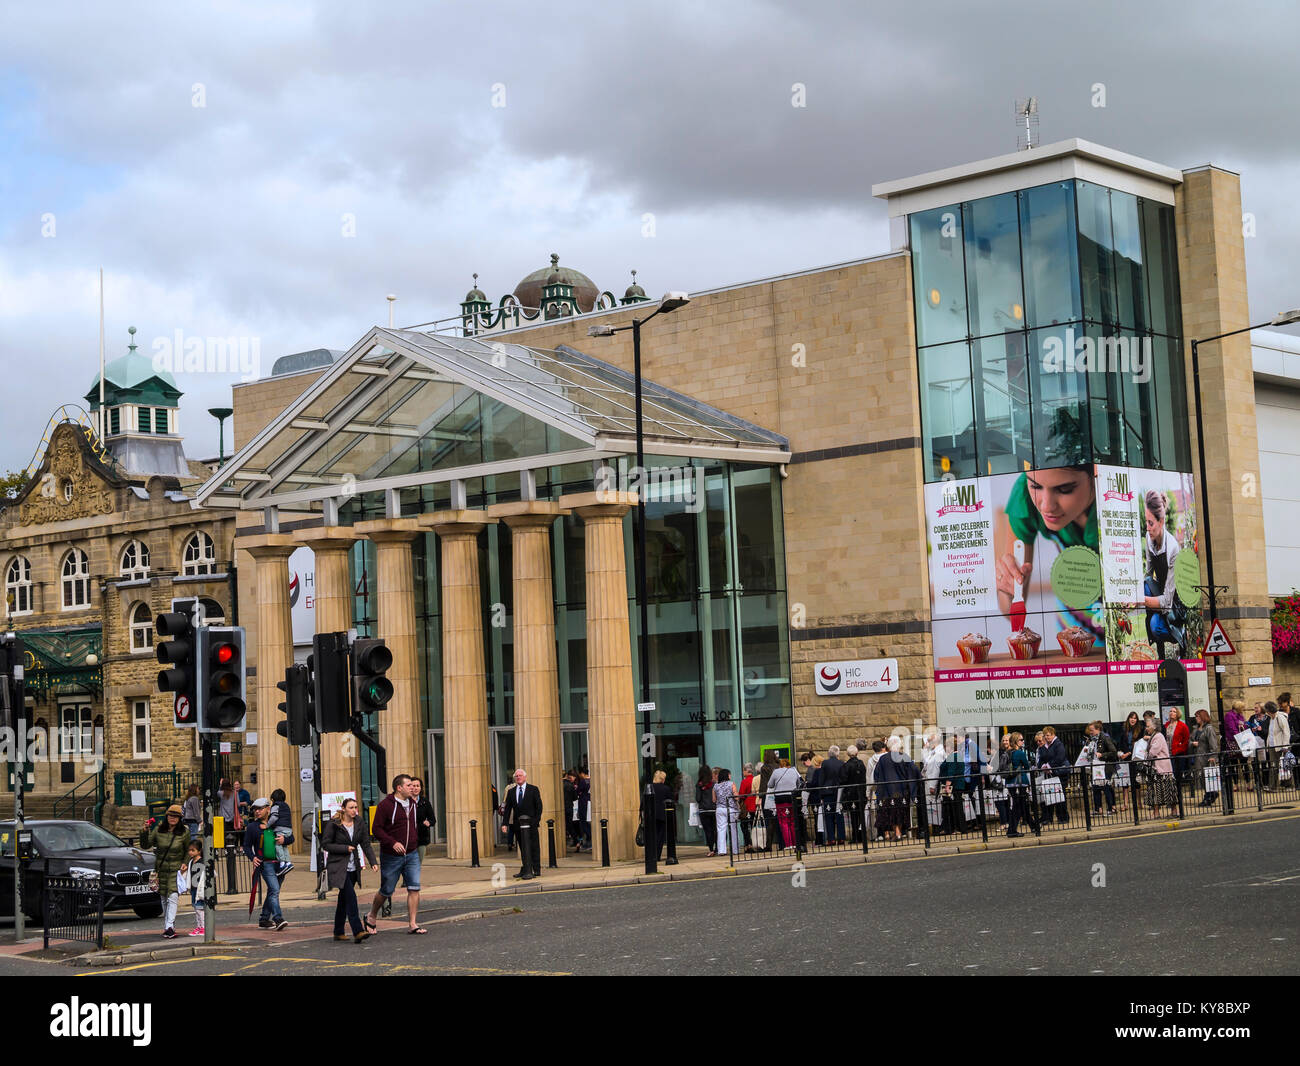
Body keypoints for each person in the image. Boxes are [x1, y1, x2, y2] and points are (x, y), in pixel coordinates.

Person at [367, 774, 426, 934]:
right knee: (387, 890)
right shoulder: (386, 805)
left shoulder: (413, 804)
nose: (412, 788)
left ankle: (413, 923)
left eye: (414, 785)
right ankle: (372, 915)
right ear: (399, 788)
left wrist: (415, 841)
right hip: (391, 855)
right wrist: (392, 842)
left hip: (412, 853)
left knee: (414, 888)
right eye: (408, 785)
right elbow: (376, 829)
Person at [321, 797, 379, 943]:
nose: (354, 810)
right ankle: (358, 930)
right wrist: (344, 848)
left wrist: (373, 862)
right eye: (351, 807)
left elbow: (366, 844)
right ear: (344, 808)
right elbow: (326, 845)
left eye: (356, 807)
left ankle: (338, 931)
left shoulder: (359, 823)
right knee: (351, 897)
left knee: (343, 900)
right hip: (338, 866)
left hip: (354, 866)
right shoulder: (334, 824)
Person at [1142, 490, 1186, 658]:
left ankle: (1179, 632)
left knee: (1156, 627)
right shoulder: (1149, 537)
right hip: (1161, 590)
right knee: (1146, 583)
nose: (1147, 527)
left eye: (1151, 523)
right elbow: (1149, 572)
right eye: (1146, 522)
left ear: (1161, 522)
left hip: (1174, 601)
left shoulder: (1173, 548)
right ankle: (1160, 654)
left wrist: (1142, 600)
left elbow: (1168, 601)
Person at [143, 804, 191, 939]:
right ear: (166, 816)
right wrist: (145, 830)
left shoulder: (184, 832)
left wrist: (185, 863)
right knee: (163, 898)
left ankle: (169, 926)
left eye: (176, 817)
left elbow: (188, 849)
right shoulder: (158, 829)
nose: (173, 818)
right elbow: (145, 845)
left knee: (173, 896)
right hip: (161, 869)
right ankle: (168, 926)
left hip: (176, 870)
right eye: (171, 815)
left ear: (180, 818)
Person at [241, 798, 289, 931]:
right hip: (265, 863)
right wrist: (253, 857)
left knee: (273, 891)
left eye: (260, 808)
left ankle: (263, 919)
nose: (257, 812)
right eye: (255, 809)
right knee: (274, 890)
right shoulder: (252, 827)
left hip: (280, 862)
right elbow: (246, 845)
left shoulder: (278, 824)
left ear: (268, 808)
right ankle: (278, 918)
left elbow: (291, 837)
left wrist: (285, 839)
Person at [873, 736, 918, 841]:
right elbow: (914, 770)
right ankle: (898, 833)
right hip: (902, 791)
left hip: (888, 792)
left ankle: (897, 833)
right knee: (900, 812)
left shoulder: (883, 759)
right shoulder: (904, 756)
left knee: (892, 813)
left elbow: (877, 775)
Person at [501, 768, 542, 878]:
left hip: (531, 824)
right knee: (523, 848)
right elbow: (508, 809)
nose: (518, 777)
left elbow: (539, 807)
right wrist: (504, 824)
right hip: (518, 825)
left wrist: (536, 821)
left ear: (525, 777)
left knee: (534, 847)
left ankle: (536, 869)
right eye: (516, 776)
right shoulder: (511, 792)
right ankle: (525, 869)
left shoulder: (533, 789)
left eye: (520, 775)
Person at [1035, 726, 1070, 825]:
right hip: (1049, 774)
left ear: (1053, 734)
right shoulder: (1043, 747)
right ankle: (1048, 818)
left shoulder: (1058, 744)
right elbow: (1041, 759)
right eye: (1045, 735)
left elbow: (1060, 757)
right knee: (1049, 796)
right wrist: (1042, 766)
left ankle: (1063, 817)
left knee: (1060, 796)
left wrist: (1049, 765)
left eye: (1048, 735)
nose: (1046, 737)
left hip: (1059, 774)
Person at [765, 758, 802, 848]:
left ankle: (788, 844)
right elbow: (798, 783)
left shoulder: (776, 772)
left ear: (780, 765)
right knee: (792, 821)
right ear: (788, 764)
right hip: (791, 797)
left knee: (783, 822)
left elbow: (770, 785)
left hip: (780, 798)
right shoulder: (793, 771)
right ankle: (795, 844)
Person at [1005, 732, 1036, 837]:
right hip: (1020, 783)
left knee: (1022, 805)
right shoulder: (1020, 753)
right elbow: (1027, 767)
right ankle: (1011, 830)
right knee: (1018, 807)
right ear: (1015, 741)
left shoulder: (1008, 752)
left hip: (1010, 783)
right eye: (1021, 740)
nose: (1023, 742)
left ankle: (1033, 826)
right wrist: (1022, 767)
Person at [1084, 720, 1118, 815]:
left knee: (1106, 786)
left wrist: (1102, 755)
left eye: (1092, 730)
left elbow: (1113, 752)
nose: (1090, 732)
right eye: (1089, 730)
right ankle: (1098, 809)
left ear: (1098, 729)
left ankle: (1111, 808)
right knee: (1095, 787)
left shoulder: (1105, 738)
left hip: (1106, 766)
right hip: (1096, 766)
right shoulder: (1092, 739)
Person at [1144, 722, 1176, 816]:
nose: (1146, 728)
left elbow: (1153, 751)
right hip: (1157, 769)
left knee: (1169, 791)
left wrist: (1146, 754)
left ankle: (1173, 811)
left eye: (1148, 726)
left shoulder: (1158, 736)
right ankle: (1156, 813)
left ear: (1154, 727)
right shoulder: (1154, 736)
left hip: (1162, 769)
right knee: (1156, 792)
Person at [1190, 708, 1220, 806]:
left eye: (1197, 716)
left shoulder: (1209, 728)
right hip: (1198, 757)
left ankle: (1209, 797)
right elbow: (1189, 740)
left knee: (1208, 778)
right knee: (1202, 778)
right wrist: (1192, 743)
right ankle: (1209, 796)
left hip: (1207, 757)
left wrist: (1213, 756)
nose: (1196, 718)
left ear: (1203, 716)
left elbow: (1213, 744)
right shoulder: (1196, 729)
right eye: (1195, 716)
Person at [840, 745, 868, 843]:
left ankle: (855, 837)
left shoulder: (846, 765)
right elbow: (864, 778)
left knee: (854, 816)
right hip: (861, 792)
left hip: (851, 793)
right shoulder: (861, 764)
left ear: (848, 754)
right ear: (856, 753)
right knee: (861, 816)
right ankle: (862, 836)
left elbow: (843, 780)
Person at [265, 788, 295, 879]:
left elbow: (274, 817)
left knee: (277, 844)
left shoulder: (276, 805)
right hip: (288, 829)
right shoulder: (286, 806)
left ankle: (282, 863)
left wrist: (267, 825)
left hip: (280, 828)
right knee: (283, 846)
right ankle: (288, 862)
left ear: (273, 799)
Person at [713, 768, 741, 857]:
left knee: (721, 829)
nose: (730, 776)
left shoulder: (715, 786)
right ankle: (735, 850)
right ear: (727, 775)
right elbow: (736, 797)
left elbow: (714, 800)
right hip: (731, 809)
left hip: (720, 809)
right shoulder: (731, 784)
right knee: (733, 829)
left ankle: (721, 850)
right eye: (729, 774)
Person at [1224, 699, 1250, 795]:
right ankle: (1235, 784)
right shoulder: (1229, 715)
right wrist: (1240, 737)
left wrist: (1245, 730)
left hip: (1241, 741)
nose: (1243, 709)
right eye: (1242, 708)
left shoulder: (1240, 716)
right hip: (1233, 742)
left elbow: (1244, 726)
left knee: (1244, 763)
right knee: (1233, 764)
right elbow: (1232, 729)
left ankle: (1248, 783)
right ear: (1238, 708)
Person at [820, 746, 845, 842]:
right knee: (839, 814)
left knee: (829, 815)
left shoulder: (825, 763)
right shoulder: (841, 763)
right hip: (838, 791)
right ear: (837, 753)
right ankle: (841, 838)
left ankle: (831, 838)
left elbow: (822, 779)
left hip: (827, 792)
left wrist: (821, 794)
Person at [1266, 701, 1292, 791]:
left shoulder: (1280, 717)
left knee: (1285, 765)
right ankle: (1273, 786)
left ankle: (1288, 785)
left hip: (1281, 746)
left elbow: (1286, 732)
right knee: (1273, 766)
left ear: (1269, 711)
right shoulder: (1271, 719)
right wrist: (1268, 744)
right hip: (1273, 746)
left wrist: (1285, 746)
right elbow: (1271, 733)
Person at [182, 839, 205, 937]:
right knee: (196, 908)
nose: (190, 852)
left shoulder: (202, 861)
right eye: (189, 850)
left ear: (199, 851)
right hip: (193, 888)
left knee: (200, 909)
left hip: (200, 889)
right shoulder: (191, 862)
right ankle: (199, 926)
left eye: (193, 850)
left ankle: (203, 927)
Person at [411, 777, 437, 864]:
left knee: (417, 864)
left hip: (421, 838)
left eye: (417, 786)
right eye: (413, 786)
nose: (415, 788)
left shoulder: (425, 801)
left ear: (421, 788)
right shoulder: (406, 801)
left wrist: (428, 822)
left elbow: (432, 819)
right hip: (408, 839)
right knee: (409, 865)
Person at [865, 741, 886, 840]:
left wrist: (868, 792)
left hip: (876, 788)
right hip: (888, 787)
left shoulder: (871, 760)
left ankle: (880, 833)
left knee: (878, 811)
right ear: (883, 748)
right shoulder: (888, 757)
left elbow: (869, 777)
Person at [696, 765, 718, 856]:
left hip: (704, 810)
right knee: (715, 829)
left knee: (708, 830)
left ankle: (711, 849)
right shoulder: (714, 784)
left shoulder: (699, 785)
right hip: (714, 809)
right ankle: (718, 848)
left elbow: (698, 798)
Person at [651, 770, 673, 861]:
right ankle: (657, 855)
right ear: (663, 779)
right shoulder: (666, 788)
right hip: (662, 815)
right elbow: (670, 801)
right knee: (660, 836)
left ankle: (651, 855)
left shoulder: (649, 787)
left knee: (652, 836)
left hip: (651, 815)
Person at [1166, 709, 1191, 786]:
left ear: (1178, 714)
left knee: (1177, 776)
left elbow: (1186, 740)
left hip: (1177, 754)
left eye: (1174, 711)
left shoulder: (1182, 725)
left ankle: (1178, 794)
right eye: (1170, 711)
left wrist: (1180, 749)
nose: (1172, 713)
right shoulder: (1166, 725)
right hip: (1167, 754)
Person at [737, 763, 756, 852]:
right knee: (754, 826)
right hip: (755, 805)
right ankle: (756, 843)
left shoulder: (745, 781)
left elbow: (741, 794)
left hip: (747, 806)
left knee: (745, 827)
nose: (742, 772)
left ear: (746, 771)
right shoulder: (755, 779)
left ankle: (749, 845)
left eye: (743, 770)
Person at [574, 768, 591, 852]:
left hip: (583, 803)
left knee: (583, 822)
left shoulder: (583, 781)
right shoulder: (591, 780)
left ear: (583, 774)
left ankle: (589, 838)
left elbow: (577, 791)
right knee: (588, 821)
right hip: (589, 802)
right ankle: (589, 839)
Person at [563, 770, 580, 848]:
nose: (574, 779)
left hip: (562, 807)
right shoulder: (571, 785)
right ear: (568, 776)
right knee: (569, 825)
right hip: (569, 807)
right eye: (573, 777)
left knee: (567, 825)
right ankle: (576, 840)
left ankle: (575, 841)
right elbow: (574, 797)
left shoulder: (560, 784)